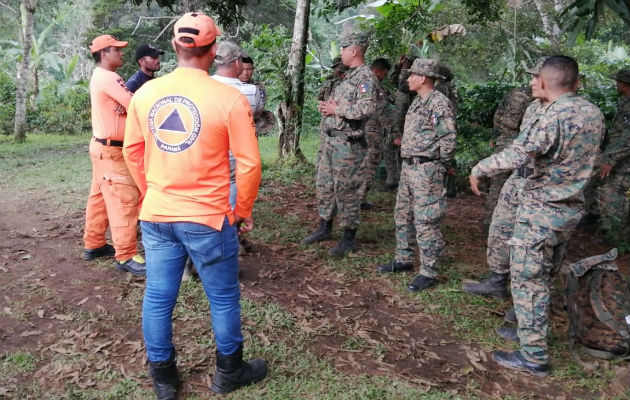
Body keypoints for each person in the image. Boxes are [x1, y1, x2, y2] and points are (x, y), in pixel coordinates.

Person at [122, 12, 266, 398]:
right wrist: (243, 210)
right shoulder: (230, 98)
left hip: (157, 215)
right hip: (207, 217)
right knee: (222, 297)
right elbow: (250, 163)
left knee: (157, 296)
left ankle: (164, 381)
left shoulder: (146, 95)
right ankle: (229, 372)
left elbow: (132, 152)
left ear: (174, 46)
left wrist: (152, 190)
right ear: (214, 49)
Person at [469, 56, 605, 376]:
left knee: (529, 281)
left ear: (543, 81)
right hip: (570, 209)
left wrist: (480, 168)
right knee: (543, 274)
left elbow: (520, 152)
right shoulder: (593, 113)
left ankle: (533, 356)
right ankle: (525, 331)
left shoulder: (552, 116)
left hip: (541, 212)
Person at [463, 58, 546, 301]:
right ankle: (497, 282)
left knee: (531, 249)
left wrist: (483, 167)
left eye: (536, 76)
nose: (531, 81)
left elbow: (526, 149)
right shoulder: (532, 106)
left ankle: (528, 305)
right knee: (499, 231)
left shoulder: (565, 113)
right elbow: (518, 140)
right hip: (517, 180)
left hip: (540, 187)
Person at [376, 58, 457, 292]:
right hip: (409, 168)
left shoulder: (438, 104)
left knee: (426, 220)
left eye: (411, 75)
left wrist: (440, 164)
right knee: (402, 214)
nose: (408, 78)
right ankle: (403, 258)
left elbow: (448, 139)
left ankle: (429, 271)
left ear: (422, 78)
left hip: (426, 170)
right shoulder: (418, 101)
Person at [300, 30, 378, 257]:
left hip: (348, 145)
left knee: (345, 190)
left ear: (353, 50)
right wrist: (329, 108)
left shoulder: (365, 78)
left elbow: (366, 108)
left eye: (343, 48)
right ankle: (324, 227)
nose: (341, 52)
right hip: (331, 142)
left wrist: (337, 110)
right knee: (324, 186)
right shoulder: (348, 76)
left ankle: (349, 236)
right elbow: (340, 105)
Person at [82, 34, 146, 276]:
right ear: (104, 54)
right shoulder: (109, 77)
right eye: (116, 50)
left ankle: (95, 243)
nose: (121, 53)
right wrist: (134, 97)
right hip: (112, 150)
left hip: (101, 148)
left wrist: (128, 98)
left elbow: (127, 102)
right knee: (125, 199)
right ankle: (126, 254)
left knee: (98, 197)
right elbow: (136, 105)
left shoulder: (101, 77)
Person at [212, 41, 263, 209]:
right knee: (232, 204)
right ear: (236, 63)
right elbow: (255, 115)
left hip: (207, 157)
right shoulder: (251, 91)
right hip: (236, 158)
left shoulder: (203, 85)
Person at [482, 85, 533, 231]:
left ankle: (490, 222)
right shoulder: (537, 97)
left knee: (497, 184)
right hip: (520, 146)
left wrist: (497, 136)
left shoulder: (514, 92)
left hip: (504, 143)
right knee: (518, 185)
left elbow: (498, 116)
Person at [357, 57, 393, 210]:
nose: (383, 77)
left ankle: (356, 196)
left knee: (361, 163)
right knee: (370, 164)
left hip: (361, 130)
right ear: (378, 71)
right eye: (384, 74)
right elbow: (381, 110)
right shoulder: (372, 84)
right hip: (372, 131)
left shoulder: (359, 80)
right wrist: (393, 131)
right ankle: (359, 198)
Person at [598, 68, 630, 237]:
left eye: (618, 82)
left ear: (625, 84)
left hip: (624, 161)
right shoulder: (625, 101)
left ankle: (617, 236)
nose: (616, 84)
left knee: (615, 194)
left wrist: (610, 159)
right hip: (618, 156)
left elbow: (628, 139)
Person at [377, 54, 416, 192]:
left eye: (407, 63)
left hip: (406, 124)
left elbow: (402, 85)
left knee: (402, 153)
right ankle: (394, 180)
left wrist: (405, 68)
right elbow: (395, 81)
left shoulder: (413, 81)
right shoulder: (404, 79)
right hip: (396, 123)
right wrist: (398, 67)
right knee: (390, 150)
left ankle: (400, 181)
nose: (404, 66)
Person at [316, 57, 349, 168]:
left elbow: (319, 97)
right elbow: (319, 97)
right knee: (324, 146)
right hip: (331, 118)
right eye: (336, 68)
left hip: (338, 117)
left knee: (333, 147)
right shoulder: (336, 82)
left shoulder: (339, 80)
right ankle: (321, 171)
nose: (337, 70)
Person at [239, 55, 275, 135]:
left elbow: (259, 110)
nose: (245, 73)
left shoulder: (258, 87)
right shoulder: (229, 84)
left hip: (252, 125)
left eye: (249, 69)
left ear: (253, 69)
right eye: (242, 69)